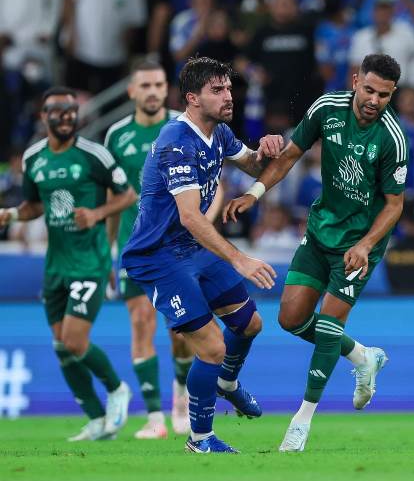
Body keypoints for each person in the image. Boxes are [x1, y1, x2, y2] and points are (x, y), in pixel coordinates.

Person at [223, 53, 408, 452]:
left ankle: (301, 421)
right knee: (290, 318)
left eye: (385, 95)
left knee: (327, 324)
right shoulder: (327, 108)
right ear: (356, 80)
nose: (375, 100)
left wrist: (365, 245)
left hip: (359, 246)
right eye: (371, 90)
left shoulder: (392, 138)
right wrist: (255, 193)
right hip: (321, 231)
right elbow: (289, 155)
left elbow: (394, 205)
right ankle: (362, 356)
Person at [120, 57, 280, 454]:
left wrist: (269, 146)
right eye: (217, 90)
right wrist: (239, 259)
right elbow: (191, 216)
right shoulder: (177, 141)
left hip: (189, 249)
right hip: (157, 256)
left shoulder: (220, 133)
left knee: (250, 324)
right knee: (211, 347)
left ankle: (226, 382)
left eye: (228, 88)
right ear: (192, 98)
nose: (228, 96)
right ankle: (200, 439)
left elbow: (255, 162)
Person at [0, 87, 137, 440]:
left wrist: (96, 213)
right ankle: (95, 418)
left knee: (75, 341)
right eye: (57, 112)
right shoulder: (34, 158)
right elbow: (34, 205)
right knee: (60, 345)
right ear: (42, 116)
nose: (65, 118)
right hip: (55, 265)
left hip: (89, 261)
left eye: (71, 111)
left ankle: (117, 388)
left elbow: (127, 195)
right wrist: (13, 214)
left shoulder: (94, 155)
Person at [104, 61, 191, 439]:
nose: (153, 91)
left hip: (176, 246)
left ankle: (182, 401)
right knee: (141, 322)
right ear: (132, 92)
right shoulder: (116, 137)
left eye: (159, 84)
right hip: (133, 246)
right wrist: (110, 249)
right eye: (146, 85)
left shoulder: (183, 125)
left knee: (181, 330)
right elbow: (113, 196)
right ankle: (155, 418)